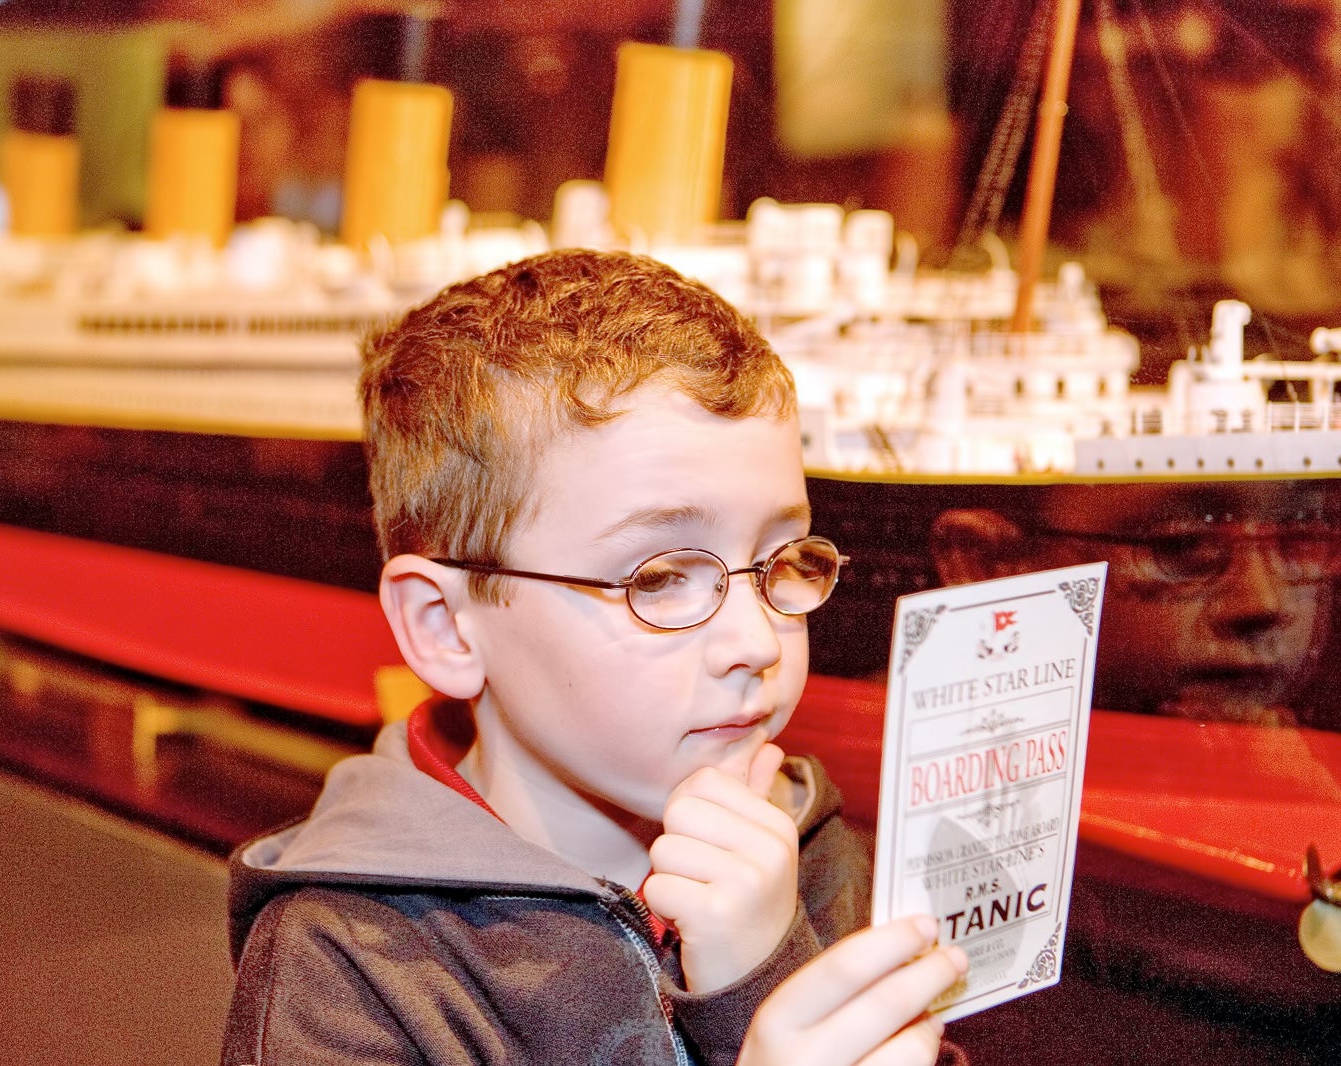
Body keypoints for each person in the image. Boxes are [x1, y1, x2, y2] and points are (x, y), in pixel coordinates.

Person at [221, 249, 966, 1064]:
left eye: (782, 560)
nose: (756, 643)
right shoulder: (351, 964)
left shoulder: (825, 860)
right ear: (445, 626)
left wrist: (765, 968)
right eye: (662, 577)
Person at [930, 479, 1341, 728]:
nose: (1264, 603)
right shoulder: (876, 809)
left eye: (1304, 536)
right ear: (989, 566)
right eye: (1183, 545)